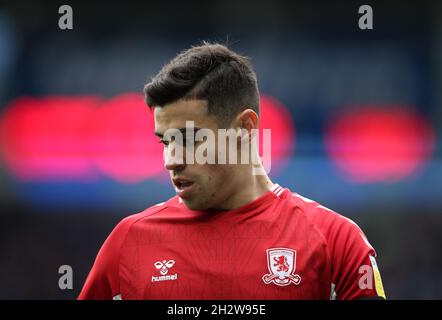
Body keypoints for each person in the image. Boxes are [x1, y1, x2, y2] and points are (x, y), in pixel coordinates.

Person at [78, 42, 386, 300]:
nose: (171, 160)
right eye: (166, 141)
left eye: (189, 139)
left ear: (245, 128)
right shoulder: (128, 243)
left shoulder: (336, 243)